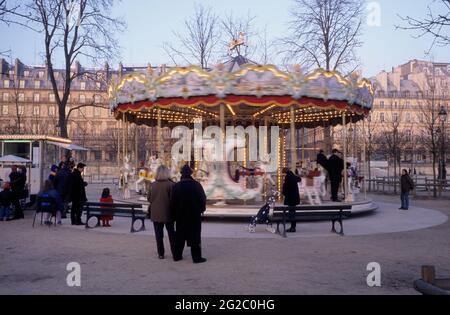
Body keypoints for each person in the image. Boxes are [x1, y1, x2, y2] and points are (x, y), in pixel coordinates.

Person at [171, 165, 207, 264]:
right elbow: (202, 199)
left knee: (180, 236)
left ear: (182, 174)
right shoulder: (196, 185)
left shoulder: (176, 186)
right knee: (195, 237)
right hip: (194, 215)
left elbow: (172, 202)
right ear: (190, 174)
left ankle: (177, 256)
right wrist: (201, 209)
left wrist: (174, 214)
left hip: (180, 215)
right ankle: (196, 258)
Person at [148, 165, 176, 259]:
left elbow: (149, 198)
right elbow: (174, 199)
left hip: (155, 213)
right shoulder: (171, 185)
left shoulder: (152, 185)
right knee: (171, 234)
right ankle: (174, 252)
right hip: (168, 213)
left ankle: (161, 253)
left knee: (158, 235)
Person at [282, 168, 301, 233]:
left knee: (291, 213)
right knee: (293, 212)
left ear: (286, 172)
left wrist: (283, 193)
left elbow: (285, 188)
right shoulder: (293, 176)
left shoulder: (288, 177)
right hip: (295, 198)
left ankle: (292, 227)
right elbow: (299, 179)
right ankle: (293, 227)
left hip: (290, 198)